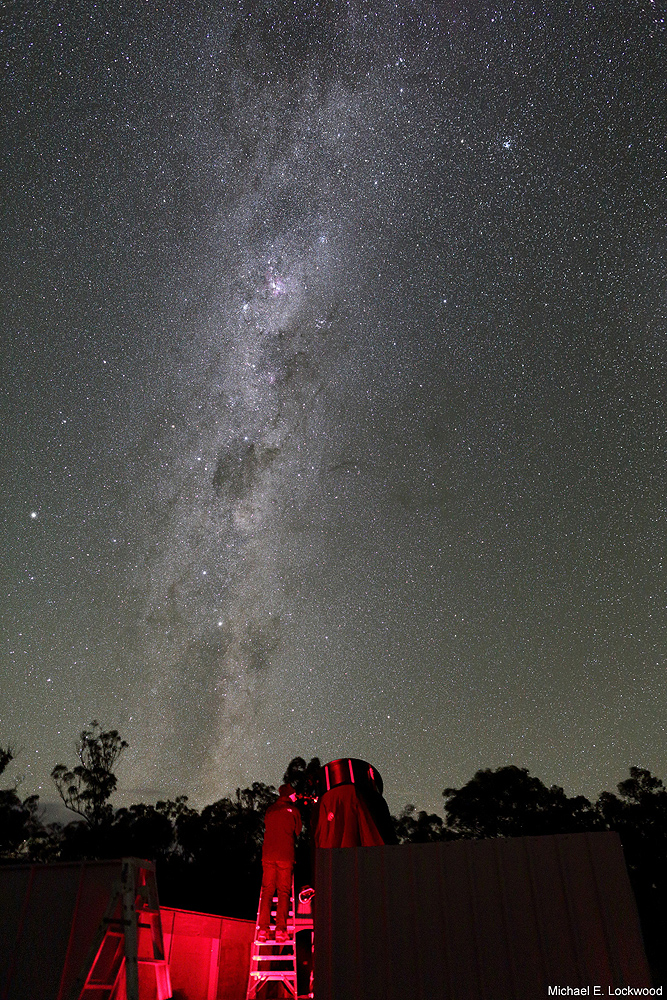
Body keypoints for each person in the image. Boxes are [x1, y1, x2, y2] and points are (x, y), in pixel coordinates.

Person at [258, 783, 302, 942]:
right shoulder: (294, 810)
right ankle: (280, 930)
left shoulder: (270, 810)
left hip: (268, 856)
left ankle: (263, 930)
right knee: (283, 892)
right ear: (289, 795)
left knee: (267, 892)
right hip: (285, 856)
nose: (295, 797)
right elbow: (298, 831)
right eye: (294, 794)